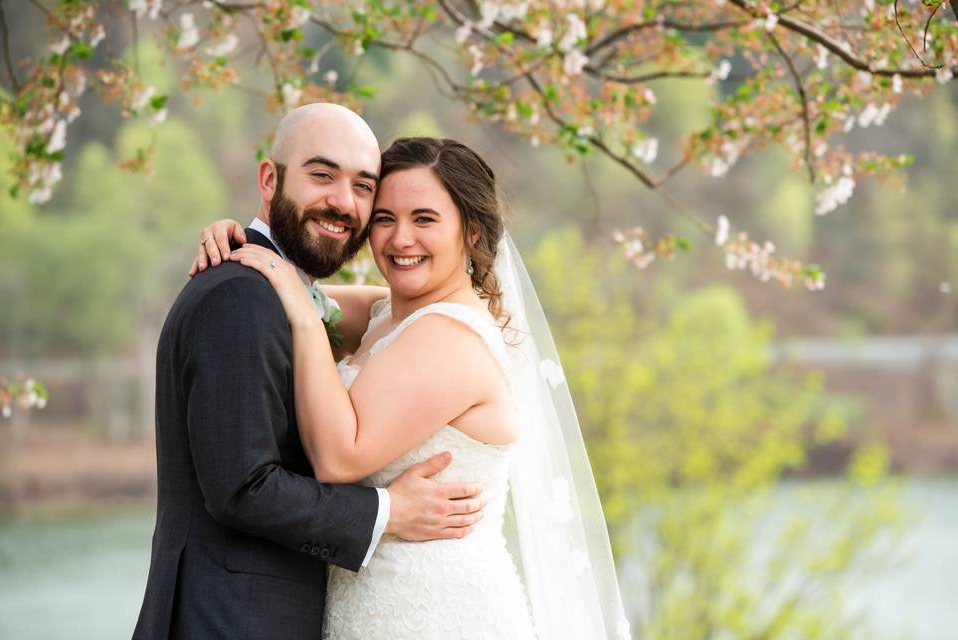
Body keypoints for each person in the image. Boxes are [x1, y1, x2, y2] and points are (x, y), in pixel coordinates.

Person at [194, 133, 632, 639]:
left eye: (424, 219)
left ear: (469, 232)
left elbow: (339, 458)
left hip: (435, 610)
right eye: (384, 219)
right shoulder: (388, 313)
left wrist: (304, 318)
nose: (400, 239)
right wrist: (244, 237)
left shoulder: (451, 337)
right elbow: (279, 288)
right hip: (374, 603)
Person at [133, 104, 487, 640]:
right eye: (322, 175)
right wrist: (386, 512)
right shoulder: (241, 295)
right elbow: (242, 488)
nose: (343, 203)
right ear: (270, 180)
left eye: (364, 188)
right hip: (230, 621)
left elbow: (369, 309)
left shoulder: (288, 294)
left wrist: (253, 246)